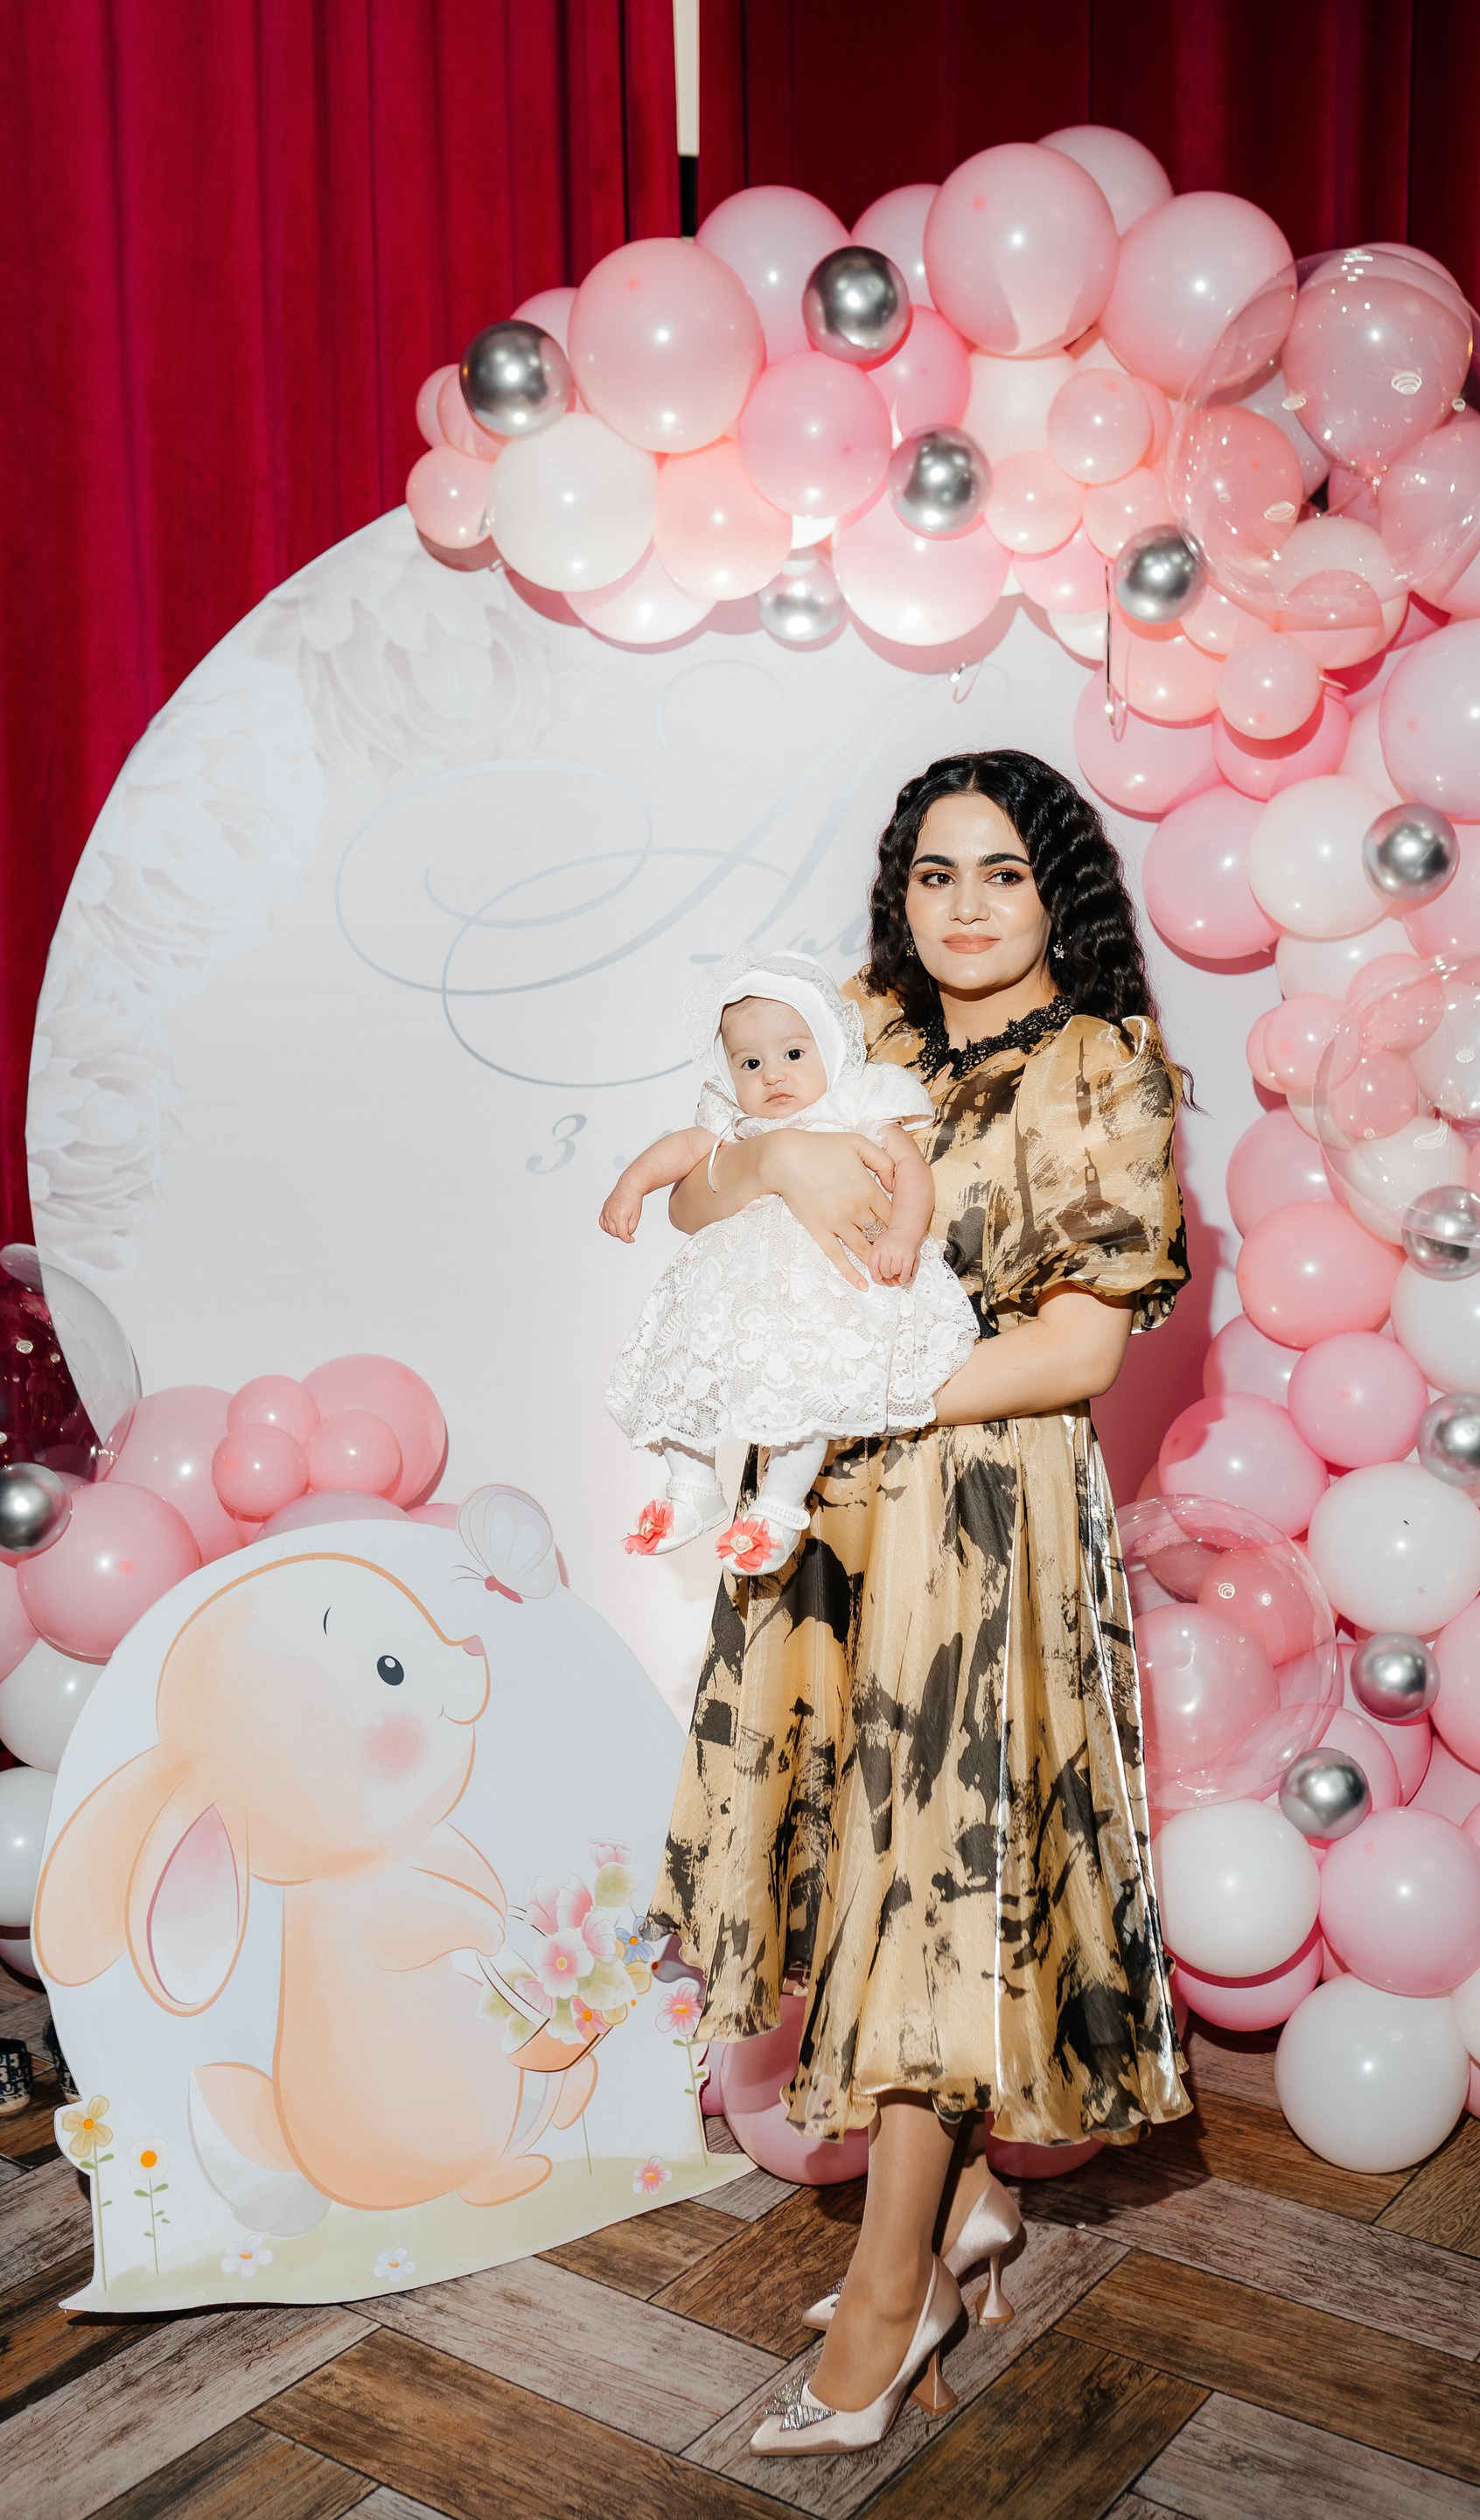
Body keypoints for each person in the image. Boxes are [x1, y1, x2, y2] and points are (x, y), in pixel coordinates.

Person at [647, 748, 1192, 2458]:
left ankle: (892, 2300)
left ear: (1058, 893)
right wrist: (769, 1172)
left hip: (982, 1505)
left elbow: (1082, 1348)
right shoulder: (858, 1026)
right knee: (849, 1853)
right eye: (935, 872)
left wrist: (872, 1393)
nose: (964, 906)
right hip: (828, 1509)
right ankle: (965, 2214)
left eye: (1003, 873)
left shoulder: (1101, 1066)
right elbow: (692, 1193)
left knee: (939, 1886)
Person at [600, 951, 976, 1576]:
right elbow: (683, 1150)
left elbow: (910, 1173)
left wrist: (903, 1236)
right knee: (683, 1364)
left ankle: (777, 1508)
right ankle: (691, 1485)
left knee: (809, 1397)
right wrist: (629, 1187)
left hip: (825, 1292)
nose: (773, 1075)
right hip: (738, 1297)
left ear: (831, 1048)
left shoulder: (855, 1104)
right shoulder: (739, 1124)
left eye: (794, 1054)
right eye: (750, 1063)